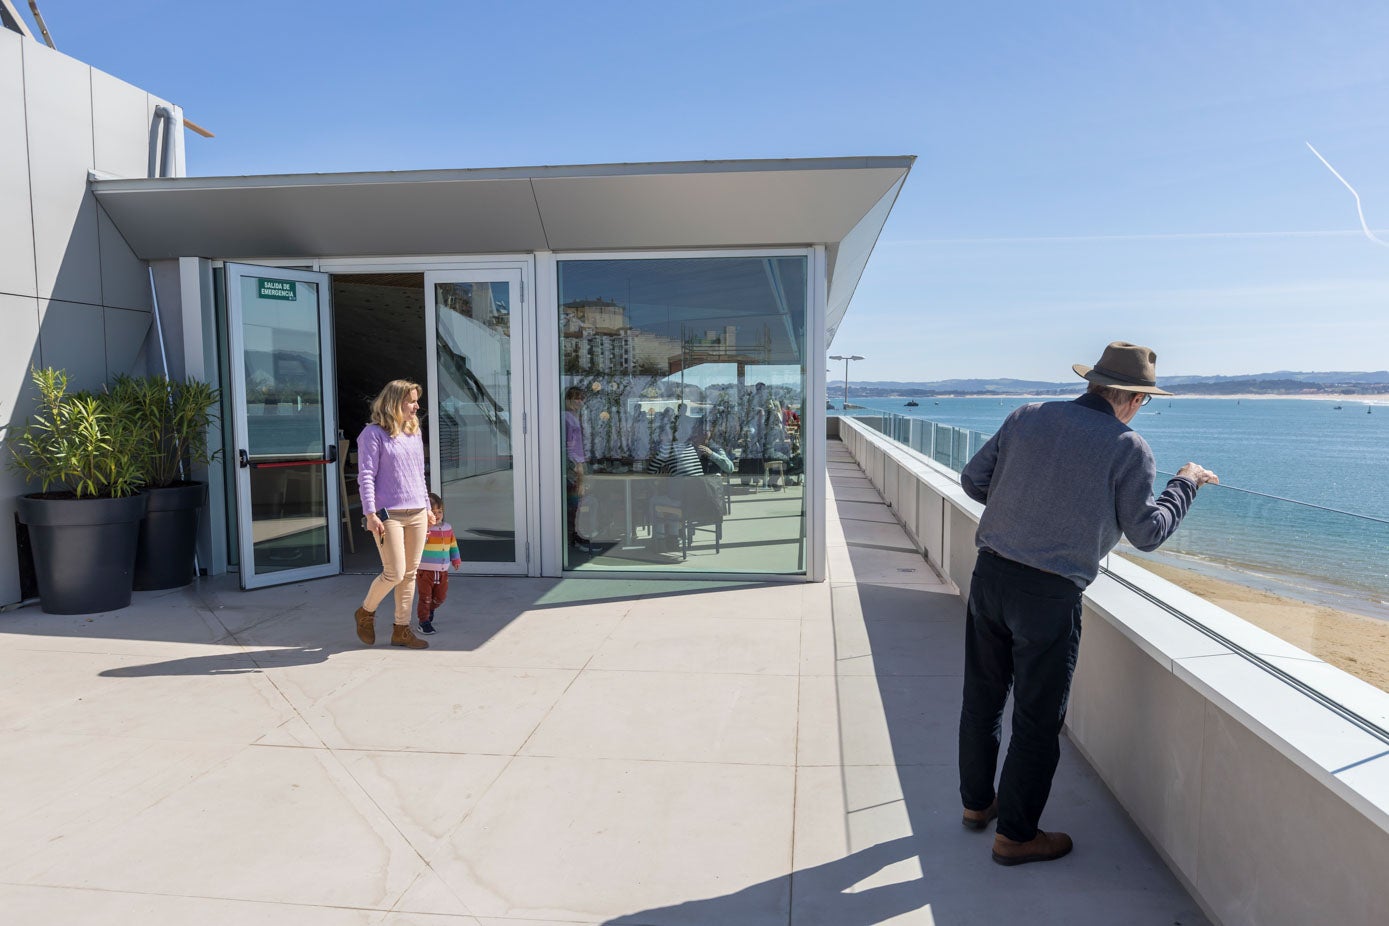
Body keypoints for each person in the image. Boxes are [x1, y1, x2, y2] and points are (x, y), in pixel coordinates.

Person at [956, 342, 1218, 866]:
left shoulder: (1027, 416)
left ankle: (976, 806)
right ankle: (1016, 834)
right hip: (1049, 595)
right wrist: (1185, 484)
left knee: (983, 697)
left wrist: (1023, 511)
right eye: (1143, 400)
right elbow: (1146, 533)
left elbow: (972, 480)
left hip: (991, 575)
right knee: (1036, 719)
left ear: (1094, 383)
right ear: (1132, 398)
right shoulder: (1129, 447)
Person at [353, 379, 436, 650]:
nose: (416, 406)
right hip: (388, 514)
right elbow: (366, 476)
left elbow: (418, 474)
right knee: (395, 573)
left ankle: (402, 629)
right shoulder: (372, 434)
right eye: (411, 401)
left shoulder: (414, 432)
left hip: (417, 512)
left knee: (410, 574)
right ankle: (366, 611)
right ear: (394, 402)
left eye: (416, 400)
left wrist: (427, 507)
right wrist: (370, 514)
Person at [415, 492, 461, 634]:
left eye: (439, 511)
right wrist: (424, 532)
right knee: (425, 598)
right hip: (424, 571)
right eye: (433, 512)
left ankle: (431, 610)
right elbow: (415, 546)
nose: (437, 515)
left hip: (442, 571)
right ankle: (424, 622)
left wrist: (456, 559)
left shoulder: (447, 528)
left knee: (440, 597)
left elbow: (453, 544)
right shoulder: (422, 529)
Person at [563, 386, 588, 546]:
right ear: (567, 400)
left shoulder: (575, 416)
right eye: (575, 398)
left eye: (581, 398)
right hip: (573, 465)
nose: (578, 401)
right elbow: (567, 445)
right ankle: (571, 537)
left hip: (579, 462)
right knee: (573, 502)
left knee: (578, 501)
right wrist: (576, 466)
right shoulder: (566, 417)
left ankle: (574, 534)